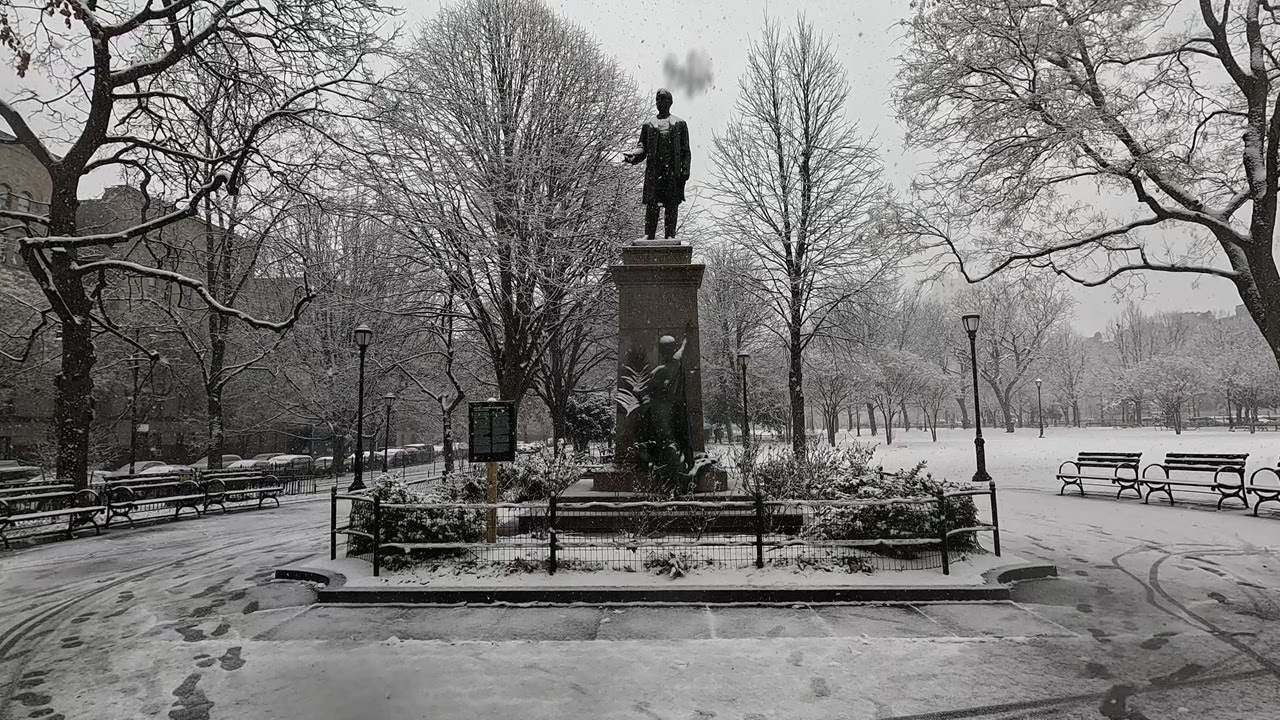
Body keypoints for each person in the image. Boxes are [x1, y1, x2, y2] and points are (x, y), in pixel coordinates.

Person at [623, 88, 691, 239]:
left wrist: (685, 170)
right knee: (652, 204)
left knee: (671, 204)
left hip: (672, 172)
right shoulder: (648, 125)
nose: (660, 102)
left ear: (670, 102)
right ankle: (649, 235)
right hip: (654, 172)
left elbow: (685, 150)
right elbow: (642, 147)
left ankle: (670, 235)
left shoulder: (680, 124)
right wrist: (634, 157)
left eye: (663, 99)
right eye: (658, 99)